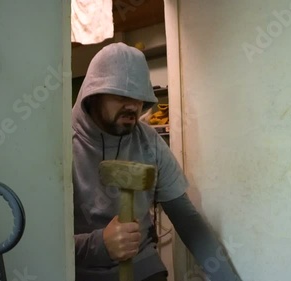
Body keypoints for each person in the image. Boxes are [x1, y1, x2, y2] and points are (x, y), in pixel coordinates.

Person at [72, 42, 240, 281]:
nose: (133, 106)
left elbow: (187, 219)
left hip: (141, 265)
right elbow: (41, 242)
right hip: (79, 269)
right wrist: (99, 244)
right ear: (94, 94)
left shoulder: (148, 141)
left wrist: (227, 279)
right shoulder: (61, 148)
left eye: (139, 97)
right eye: (121, 95)